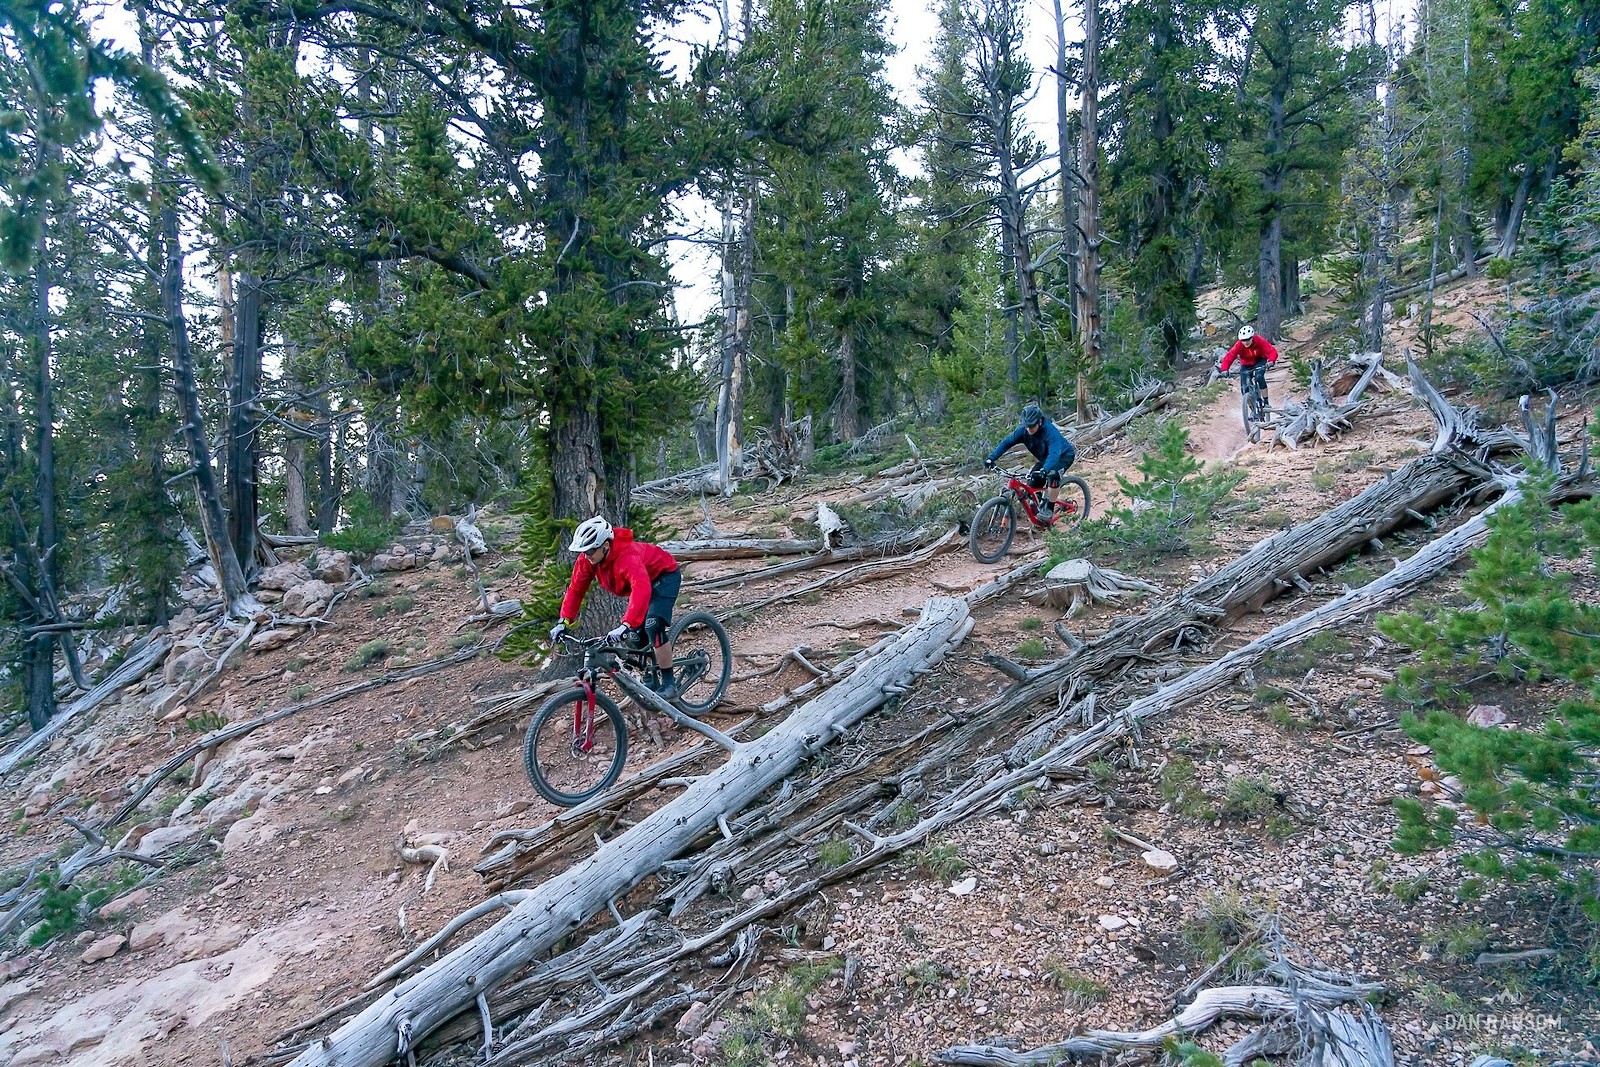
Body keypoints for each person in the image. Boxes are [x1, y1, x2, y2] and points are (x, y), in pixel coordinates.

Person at [548, 516, 683, 700]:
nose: (587, 555)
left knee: (653, 625)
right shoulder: (588, 560)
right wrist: (563, 621)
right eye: (584, 551)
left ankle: (669, 683)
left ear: (605, 545)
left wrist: (626, 624)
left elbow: (641, 587)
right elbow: (576, 590)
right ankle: (649, 673)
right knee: (635, 637)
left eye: (591, 550)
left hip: (664, 576)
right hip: (644, 583)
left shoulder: (627, 557)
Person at [984, 403, 1077, 518]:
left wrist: (1045, 469)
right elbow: (1006, 443)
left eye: (1032, 426)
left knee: (1053, 475)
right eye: (1026, 426)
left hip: (1063, 456)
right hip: (1045, 459)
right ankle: (1039, 511)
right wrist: (991, 458)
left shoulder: (1050, 432)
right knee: (1032, 484)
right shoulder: (1023, 431)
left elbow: (1054, 454)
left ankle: (1049, 509)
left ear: (1040, 422)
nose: (1029, 429)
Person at [1217, 324, 1279, 407]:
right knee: (1244, 388)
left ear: (1252, 337)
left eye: (1247, 340)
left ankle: (1266, 401)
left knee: (1259, 377)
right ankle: (1251, 409)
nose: (1245, 342)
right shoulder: (1239, 345)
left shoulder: (1259, 340)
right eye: (1243, 340)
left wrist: (1271, 361)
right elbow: (1229, 357)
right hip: (1246, 364)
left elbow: (1271, 351)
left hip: (1259, 361)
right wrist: (1224, 369)